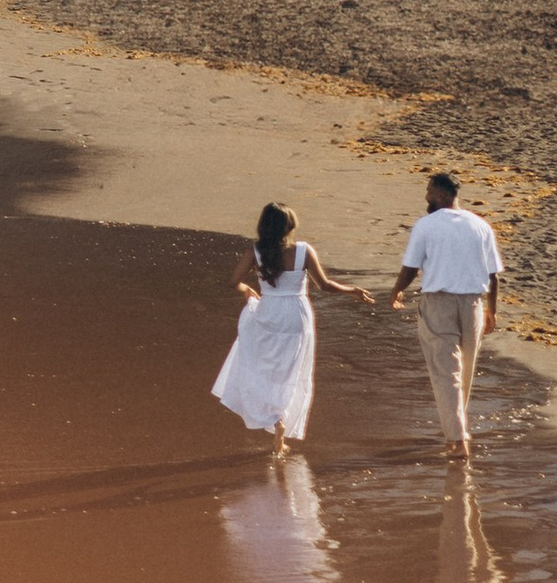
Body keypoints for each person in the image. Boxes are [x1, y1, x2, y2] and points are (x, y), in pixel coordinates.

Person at [211, 203, 373, 449]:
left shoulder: (255, 252)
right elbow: (325, 285)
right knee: (292, 370)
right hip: (297, 315)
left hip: (269, 311)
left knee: (263, 365)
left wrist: (247, 291)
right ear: (290, 226)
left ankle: (274, 419)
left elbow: (233, 281)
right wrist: (352, 290)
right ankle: (281, 416)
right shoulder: (303, 251)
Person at [390, 170, 504, 453]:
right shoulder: (481, 226)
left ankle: (457, 439)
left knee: (446, 372)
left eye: (429, 191)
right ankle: (458, 432)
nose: (426, 196)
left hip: (438, 303)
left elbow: (411, 268)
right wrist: (492, 310)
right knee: (464, 371)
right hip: (473, 305)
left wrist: (396, 290)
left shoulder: (426, 226)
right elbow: (493, 276)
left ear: (442, 194)